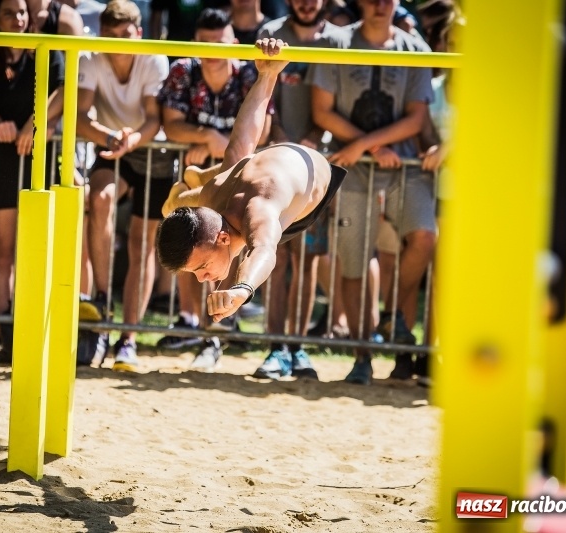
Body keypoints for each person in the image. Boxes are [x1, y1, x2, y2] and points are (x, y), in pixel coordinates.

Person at [156, 38, 348, 367]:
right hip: (252, 168)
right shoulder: (213, 197)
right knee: (229, 165)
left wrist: (242, 289)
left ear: (222, 238)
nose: (202, 278)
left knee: (241, 217)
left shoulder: (259, 210)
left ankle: (182, 194)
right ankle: (181, 195)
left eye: (201, 268)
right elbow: (241, 141)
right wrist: (267, 75)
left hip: (307, 180)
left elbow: (264, 252)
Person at [309, 0, 436, 385]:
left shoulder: (415, 48)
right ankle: (362, 357)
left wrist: (368, 145)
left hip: (402, 165)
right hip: (353, 168)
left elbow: (416, 118)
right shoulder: (335, 42)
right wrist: (371, 149)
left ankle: (393, 316)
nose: (380, 5)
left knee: (424, 238)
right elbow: (322, 111)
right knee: (354, 262)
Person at [156, 8, 274, 370]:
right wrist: (205, 136)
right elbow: (171, 125)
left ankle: (217, 333)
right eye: (204, 43)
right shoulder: (184, 71)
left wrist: (212, 144)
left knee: (223, 248)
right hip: (222, 173)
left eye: (218, 43)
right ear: (195, 43)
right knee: (195, 253)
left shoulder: (247, 73)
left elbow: (260, 132)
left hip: (234, 171)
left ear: (233, 43)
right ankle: (202, 330)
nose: (211, 50)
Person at [0, 0, 65, 363]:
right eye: (9, 13)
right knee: (1, 252)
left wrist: (36, 121)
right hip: (0, 163)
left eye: (22, 12)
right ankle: (4, 334)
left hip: (38, 162)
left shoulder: (45, 50)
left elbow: (63, 90)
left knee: (33, 252)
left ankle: (32, 331)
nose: (18, 19)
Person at [248, 0, 347, 380]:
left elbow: (337, 104)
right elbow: (262, 93)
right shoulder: (271, 32)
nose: (307, 3)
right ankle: (276, 347)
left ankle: (298, 347)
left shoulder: (338, 40)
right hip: (276, 164)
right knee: (275, 256)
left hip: (318, 168)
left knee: (308, 261)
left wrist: (312, 140)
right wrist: (281, 140)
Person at [75, 0, 173, 371]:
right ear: (102, 33)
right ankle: (102, 300)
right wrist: (110, 137)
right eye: (111, 34)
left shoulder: (154, 59)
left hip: (153, 152)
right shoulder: (90, 57)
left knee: (142, 244)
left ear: (139, 33)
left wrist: (129, 140)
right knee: (99, 200)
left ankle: (128, 338)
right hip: (113, 146)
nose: (117, 40)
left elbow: (153, 118)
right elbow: (79, 115)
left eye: (125, 34)